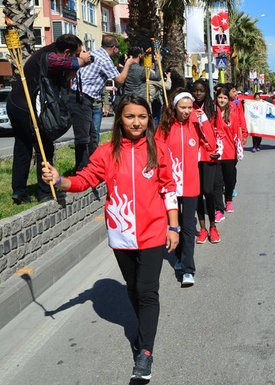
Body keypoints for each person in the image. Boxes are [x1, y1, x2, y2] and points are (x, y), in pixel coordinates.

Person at [41, 95, 179, 380]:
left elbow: (169, 189)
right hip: (121, 234)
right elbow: (84, 180)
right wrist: (59, 180)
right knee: (132, 287)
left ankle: (145, 352)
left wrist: (173, 226)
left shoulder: (159, 150)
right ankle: (144, 327)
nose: (137, 122)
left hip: (154, 231)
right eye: (130, 116)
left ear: (148, 119)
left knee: (147, 290)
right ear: (120, 119)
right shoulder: (106, 152)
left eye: (142, 116)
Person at [9, 34, 92, 204]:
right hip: (25, 106)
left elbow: (65, 76)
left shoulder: (54, 53)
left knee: (23, 146)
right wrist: (82, 60)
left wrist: (78, 63)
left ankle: (19, 191)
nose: (78, 55)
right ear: (67, 51)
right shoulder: (49, 56)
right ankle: (45, 191)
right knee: (44, 146)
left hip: (17, 103)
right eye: (76, 53)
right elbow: (65, 62)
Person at [156, 88, 214, 287]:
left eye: (190, 107)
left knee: (189, 227)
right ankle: (179, 257)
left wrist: (203, 119)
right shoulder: (165, 127)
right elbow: (157, 152)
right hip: (170, 186)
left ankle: (188, 270)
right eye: (183, 107)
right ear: (174, 107)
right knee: (176, 224)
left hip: (190, 186)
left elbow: (211, 143)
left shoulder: (195, 124)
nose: (187, 111)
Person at [68, 34, 134, 172]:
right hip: (81, 97)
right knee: (84, 137)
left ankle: (92, 166)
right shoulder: (104, 58)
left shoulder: (94, 53)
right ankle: (82, 170)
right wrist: (128, 64)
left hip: (82, 96)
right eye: (118, 50)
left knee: (91, 135)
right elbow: (120, 80)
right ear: (114, 48)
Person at [191, 79, 223, 244]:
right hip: (192, 156)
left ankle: (213, 227)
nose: (198, 94)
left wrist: (219, 150)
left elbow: (219, 131)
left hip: (209, 154)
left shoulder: (213, 109)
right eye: (195, 90)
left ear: (206, 92)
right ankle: (202, 228)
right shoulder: (188, 108)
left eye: (201, 90)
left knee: (209, 191)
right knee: (197, 193)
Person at [215, 86, 245, 217]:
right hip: (215, 154)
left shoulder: (232, 113)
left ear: (228, 100)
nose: (222, 100)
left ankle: (228, 200)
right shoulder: (211, 113)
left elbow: (237, 133)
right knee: (217, 182)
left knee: (229, 179)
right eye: (220, 97)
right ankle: (218, 208)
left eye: (224, 98)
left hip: (229, 153)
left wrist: (239, 149)